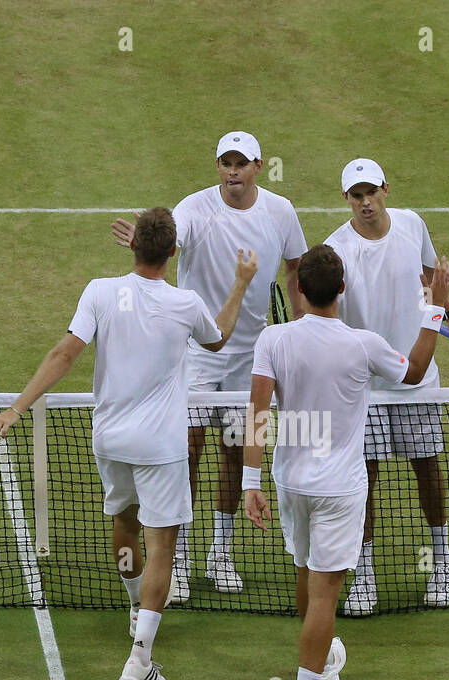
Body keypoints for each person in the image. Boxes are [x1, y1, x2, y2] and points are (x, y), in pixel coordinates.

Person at [0, 208, 258, 680]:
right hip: (160, 445)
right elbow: (219, 340)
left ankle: (136, 607)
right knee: (163, 547)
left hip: (110, 440)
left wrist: (16, 409)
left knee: (125, 525)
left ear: (132, 245)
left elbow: (64, 354)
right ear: (174, 253)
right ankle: (140, 658)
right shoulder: (186, 304)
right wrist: (241, 282)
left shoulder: (99, 291)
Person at [243, 244, 449, 680]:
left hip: (290, 482)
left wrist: (251, 482)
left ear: (298, 289)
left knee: (306, 576)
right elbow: (416, 372)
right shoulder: (364, 344)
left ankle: (324, 663)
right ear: (342, 289)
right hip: (339, 489)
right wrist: (435, 307)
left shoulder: (272, 339)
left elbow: (257, 412)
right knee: (324, 596)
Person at [112, 132, 307, 604]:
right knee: (187, 452)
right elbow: (169, 245)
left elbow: (295, 267)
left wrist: (302, 327)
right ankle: (174, 562)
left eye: (241, 163)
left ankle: (220, 553)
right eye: (226, 163)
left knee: (237, 453)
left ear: (258, 165)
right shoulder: (194, 208)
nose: (233, 171)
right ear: (217, 166)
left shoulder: (280, 212)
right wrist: (146, 238)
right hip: (198, 349)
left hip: (251, 356)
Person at [323, 158, 449, 615]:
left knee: (427, 467)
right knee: (362, 480)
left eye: (371, 192)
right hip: (363, 387)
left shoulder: (412, 225)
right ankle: (364, 575)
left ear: (386, 189)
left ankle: (443, 563)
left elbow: (429, 279)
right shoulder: (335, 250)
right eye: (356, 195)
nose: (365, 202)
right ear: (346, 198)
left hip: (416, 376)